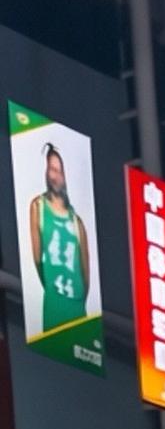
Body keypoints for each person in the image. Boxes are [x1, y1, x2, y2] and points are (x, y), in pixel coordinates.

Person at [28, 143, 90, 337]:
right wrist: (51, 287)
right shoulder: (38, 207)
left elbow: (85, 272)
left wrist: (79, 298)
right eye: (52, 169)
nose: (55, 176)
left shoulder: (77, 221)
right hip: (53, 306)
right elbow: (37, 258)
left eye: (59, 171)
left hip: (77, 307)